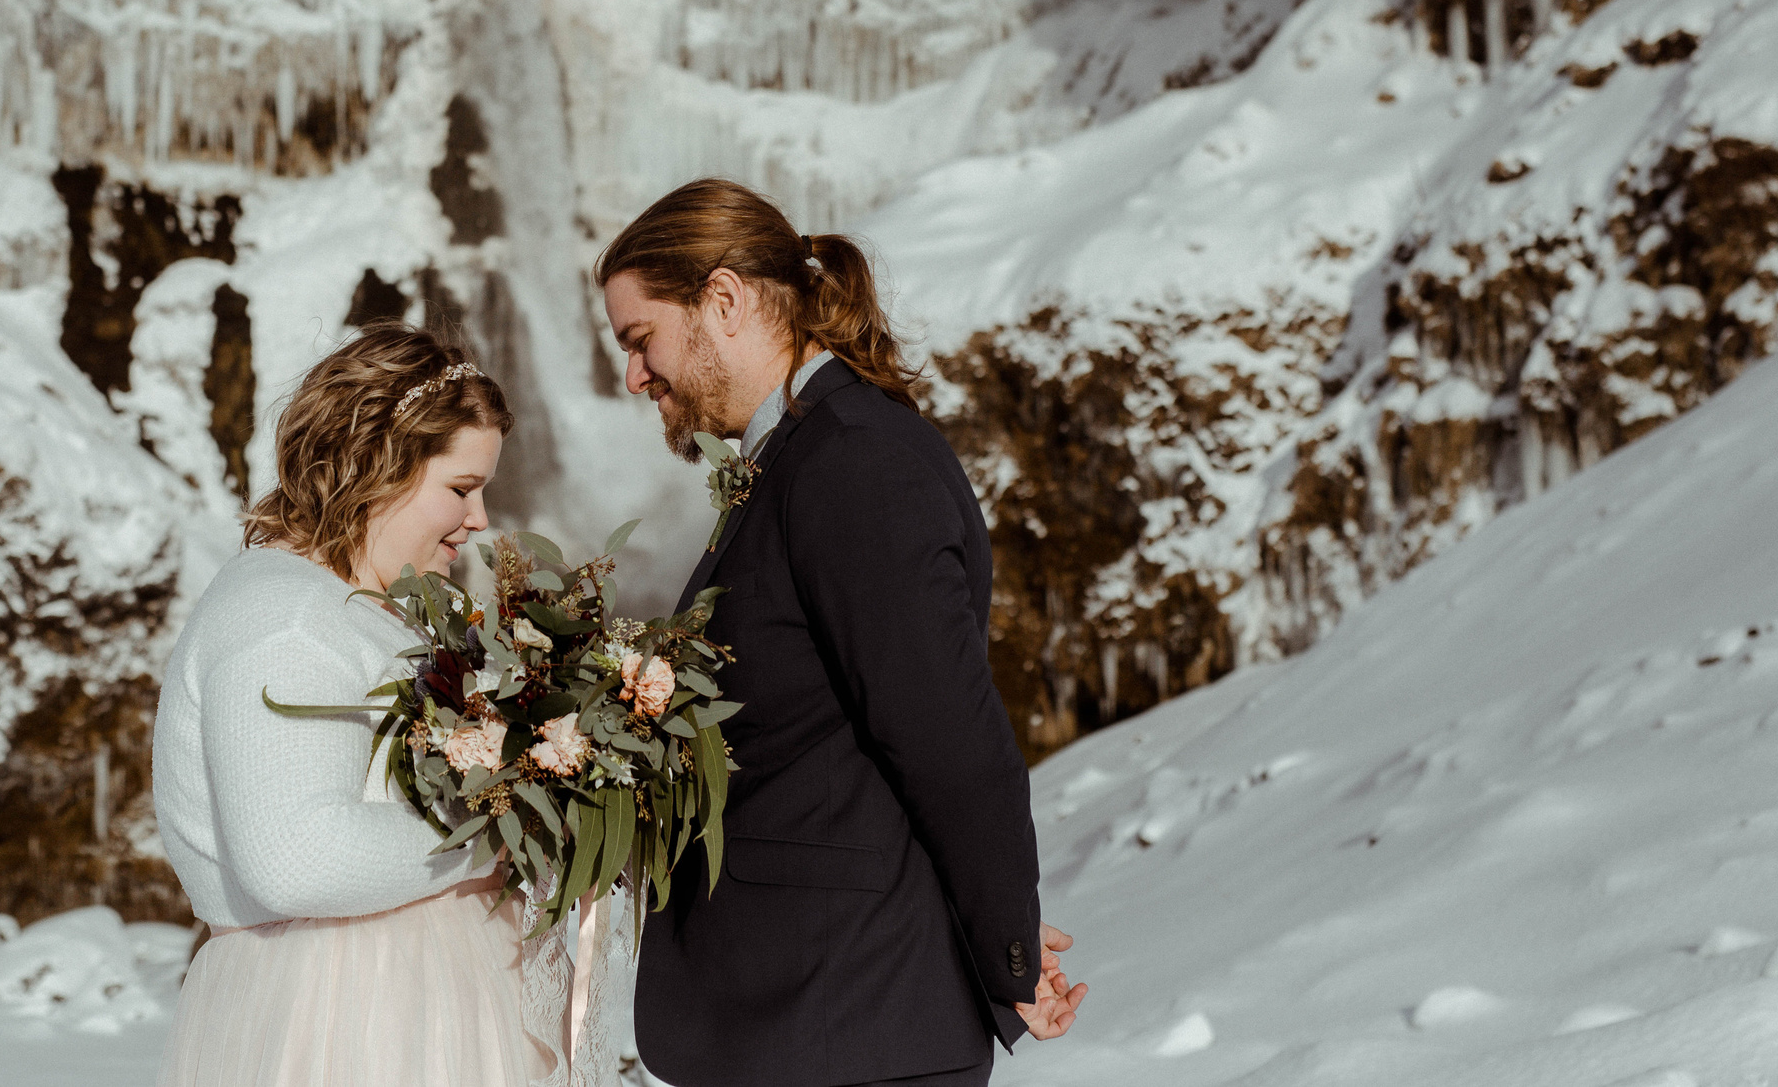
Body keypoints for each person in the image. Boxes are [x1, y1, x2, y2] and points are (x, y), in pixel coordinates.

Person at [597, 179, 1089, 1087]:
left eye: (640, 337)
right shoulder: (807, 455)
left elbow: (949, 738)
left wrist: (1007, 947)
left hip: (847, 1022)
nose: (635, 375)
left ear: (724, 300)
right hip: (805, 1018)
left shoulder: (855, 460)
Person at [152, 324, 560, 1087]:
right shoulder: (285, 617)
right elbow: (296, 860)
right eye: (461, 488)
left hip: (408, 1007)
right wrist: (507, 828)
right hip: (346, 1021)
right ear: (378, 466)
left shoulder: (358, 606)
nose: (479, 519)